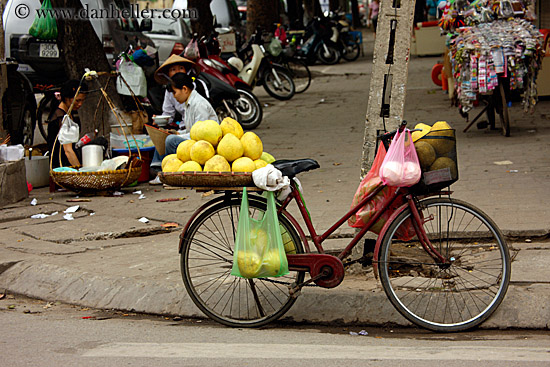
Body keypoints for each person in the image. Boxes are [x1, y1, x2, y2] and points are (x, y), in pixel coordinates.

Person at [149, 72, 218, 185]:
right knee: (164, 135)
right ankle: (158, 168)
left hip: (204, 145)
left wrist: (177, 136)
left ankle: (167, 172)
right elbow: (191, 129)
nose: (174, 96)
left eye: (175, 92)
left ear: (184, 89)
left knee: (171, 140)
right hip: (196, 140)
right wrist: (177, 132)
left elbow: (200, 135)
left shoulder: (199, 104)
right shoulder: (188, 103)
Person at [46, 79, 107, 168]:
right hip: (63, 165)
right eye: (77, 100)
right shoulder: (61, 118)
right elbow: (68, 151)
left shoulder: (68, 113)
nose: (80, 104)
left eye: (82, 100)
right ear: (66, 98)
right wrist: (80, 171)